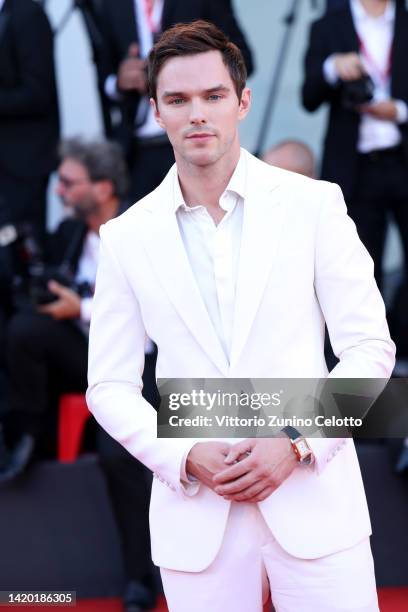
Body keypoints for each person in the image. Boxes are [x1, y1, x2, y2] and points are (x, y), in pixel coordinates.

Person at [87, 20, 395, 612]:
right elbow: (108, 383)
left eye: (213, 96)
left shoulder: (314, 205)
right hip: (198, 513)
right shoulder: (126, 237)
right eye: (178, 100)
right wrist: (182, 455)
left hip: (316, 506)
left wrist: (299, 441)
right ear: (156, 111)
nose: (197, 114)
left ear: (242, 101)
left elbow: (370, 349)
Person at [0, 138, 157, 611]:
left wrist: (81, 308)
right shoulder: (69, 234)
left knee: (118, 454)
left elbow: (158, 319)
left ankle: (140, 580)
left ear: (104, 187)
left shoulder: (144, 231)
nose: (59, 192)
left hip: (145, 363)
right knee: (26, 330)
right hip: (92, 354)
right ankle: (28, 437)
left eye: (69, 183)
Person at [96, 0, 254, 203]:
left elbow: (243, 59)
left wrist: (191, 76)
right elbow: (103, 76)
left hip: (196, 141)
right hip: (135, 147)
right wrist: (119, 81)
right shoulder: (112, 6)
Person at [302, 0, 408, 292]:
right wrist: (331, 67)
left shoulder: (403, 20)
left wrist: (398, 111)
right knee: (361, 272)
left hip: (401, 157)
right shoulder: (328, 24)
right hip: (355, 168)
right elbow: (308, 97)